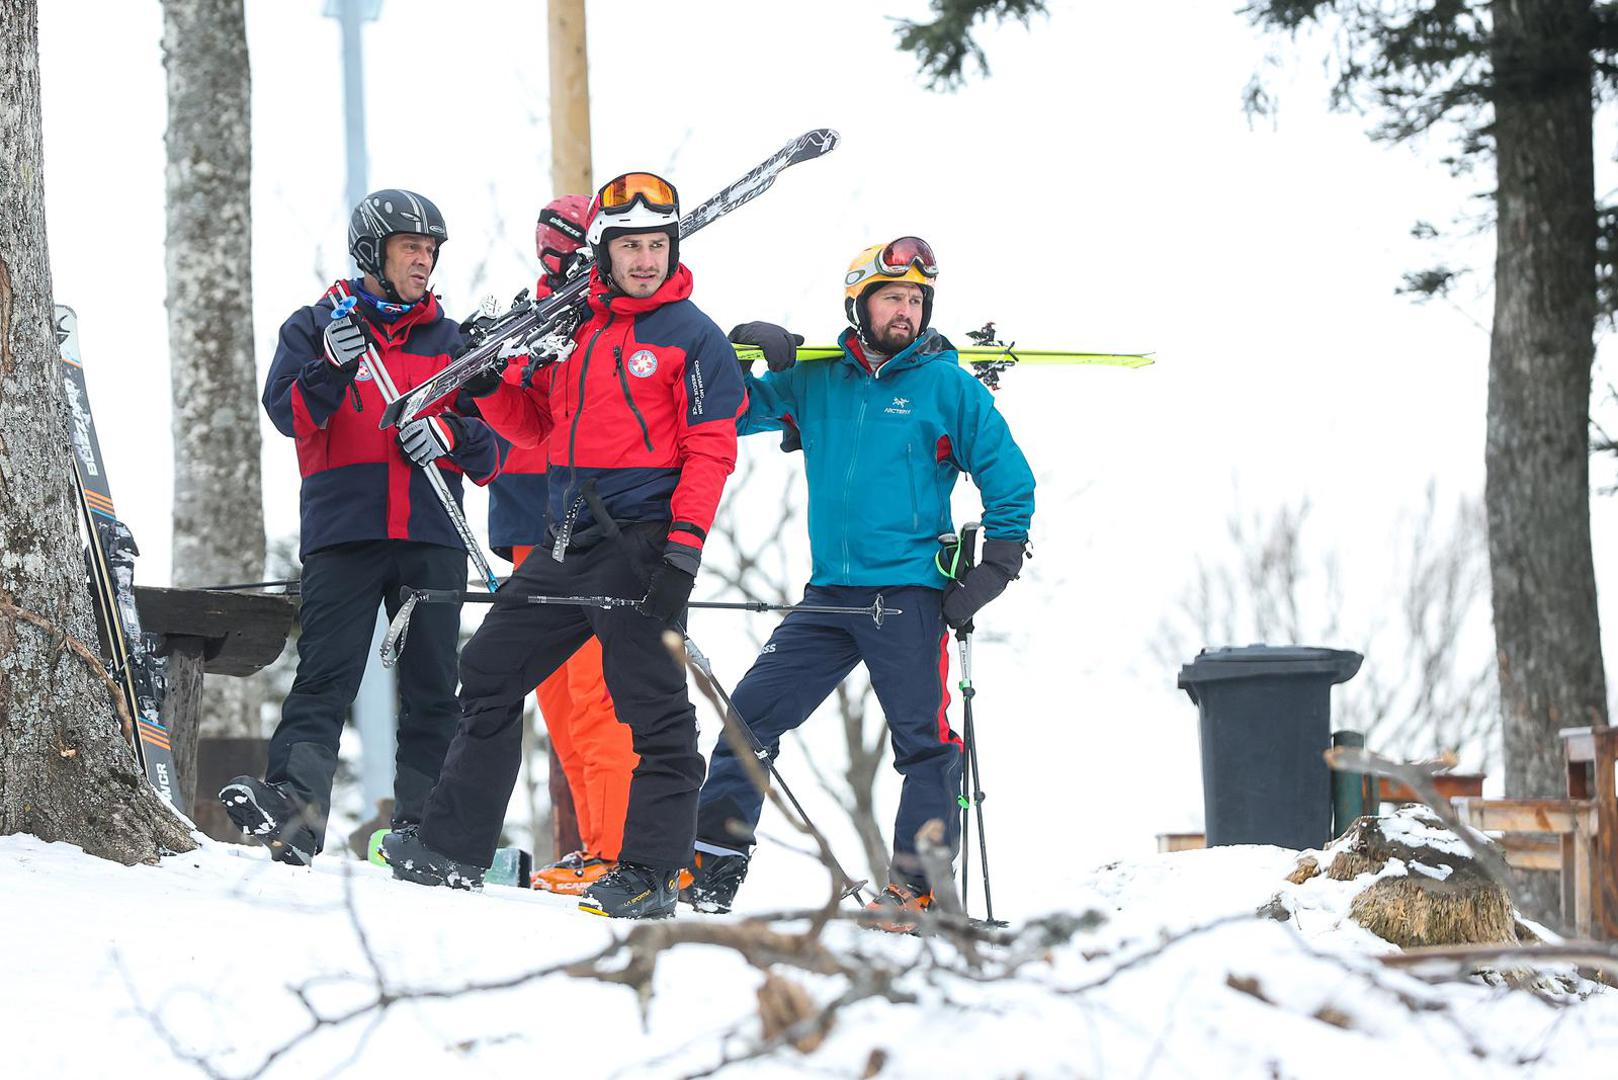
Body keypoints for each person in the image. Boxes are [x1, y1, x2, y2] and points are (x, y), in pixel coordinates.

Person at [383, 171, 747, 919]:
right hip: (566, 540)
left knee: (654, 711)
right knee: (486, 669)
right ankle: (454, 848)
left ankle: (649, 872)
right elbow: (541, 428)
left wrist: (682, 550)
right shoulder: (578, 332)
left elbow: (712, 448)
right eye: (630, 247)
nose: (645, 260)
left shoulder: (692, 336)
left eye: (656, 245)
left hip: (641, 541)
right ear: (604, 255)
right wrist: (485, 388)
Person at [687, 236, 1035, 927]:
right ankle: (708, 872)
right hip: (827, 600)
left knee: (927, 750)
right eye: (892, 297)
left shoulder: (948, 386)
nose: (905, 310)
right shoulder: (815, 381)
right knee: (746, 724)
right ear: (860, 304)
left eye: (915, 299)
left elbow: (1011, 482)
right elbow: (722, 412)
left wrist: (992, 569)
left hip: (906, 597)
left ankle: (916, 890)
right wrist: (737, 350)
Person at [220, 189, 499, 865]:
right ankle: (294, 811)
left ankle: (427, 829)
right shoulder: (314, 326)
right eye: (412, 249)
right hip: (345, 532)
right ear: (373, 252)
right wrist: (331, 367)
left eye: (431, 251)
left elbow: (493, 450)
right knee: (324, 676)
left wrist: (451, 431)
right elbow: (289, 415)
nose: (424, 262)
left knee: (435, 686)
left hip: (432, 531)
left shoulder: (454, 342)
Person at [484, 194, 639, 896]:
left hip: (590, 529)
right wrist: (482, 370)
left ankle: (618, 849)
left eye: (580, 248)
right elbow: (506, 424)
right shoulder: (530, 321)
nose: (570, 260)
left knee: (598, 693)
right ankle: (590, 847)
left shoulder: (610, 323)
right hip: (528, 529)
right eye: (560, 248)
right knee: (558, 704)